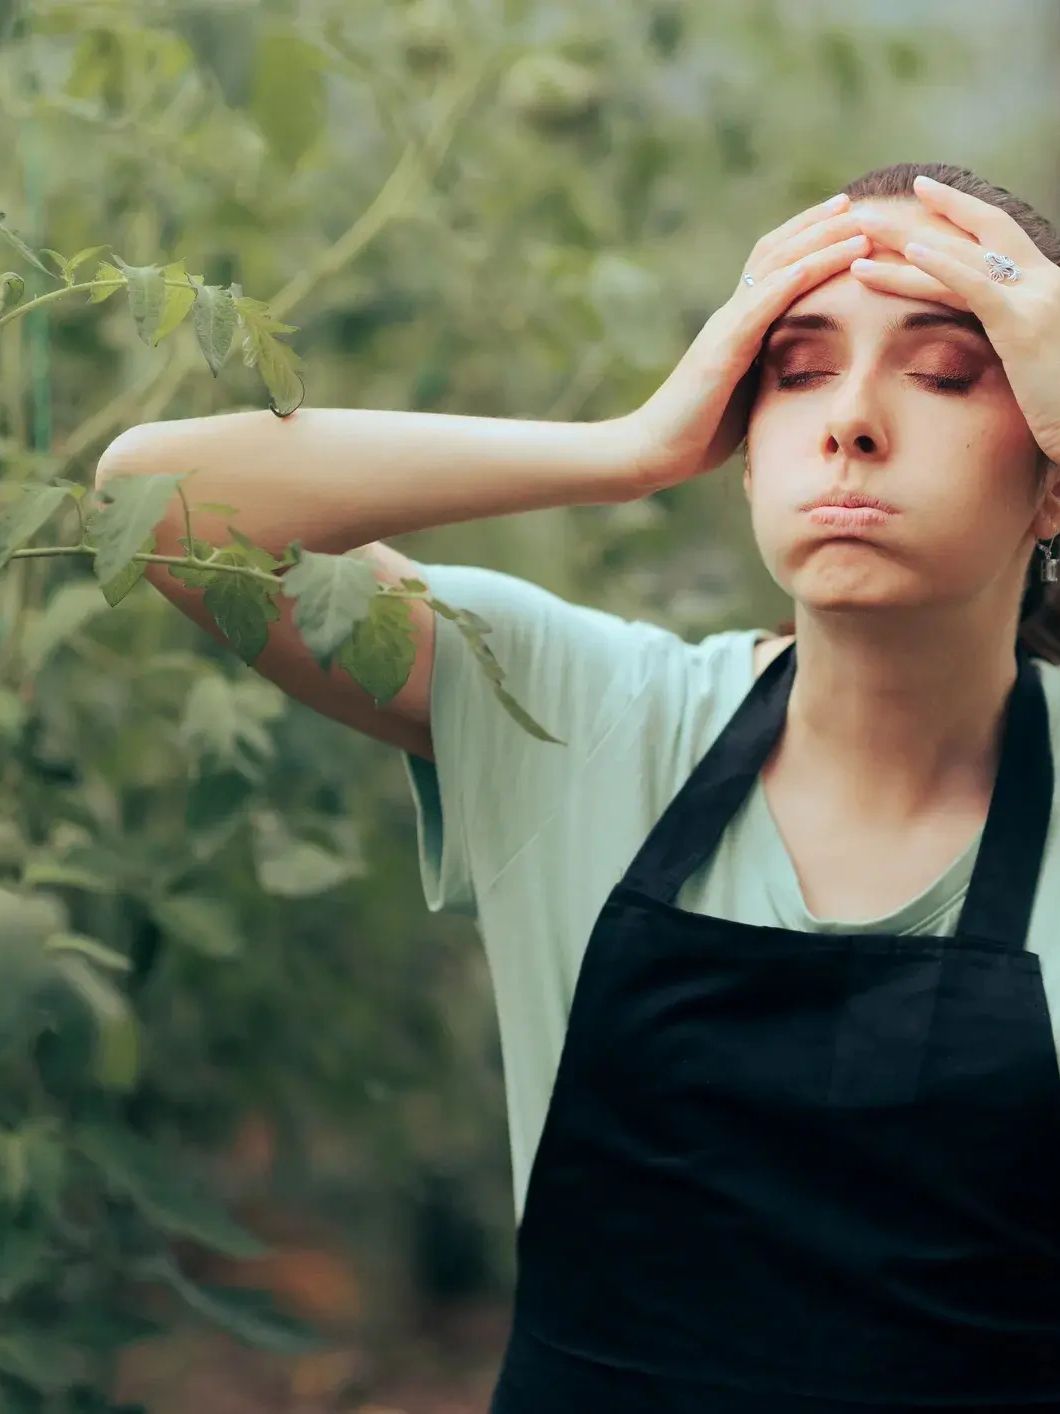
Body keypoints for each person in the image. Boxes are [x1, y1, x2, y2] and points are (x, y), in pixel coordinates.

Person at [97, 160, 1060, 1410]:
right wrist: (631, 447)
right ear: (741, 439)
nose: (853, 419)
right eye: (795, 369)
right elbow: (155, 502)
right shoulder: (590, 717)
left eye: (941, 373)